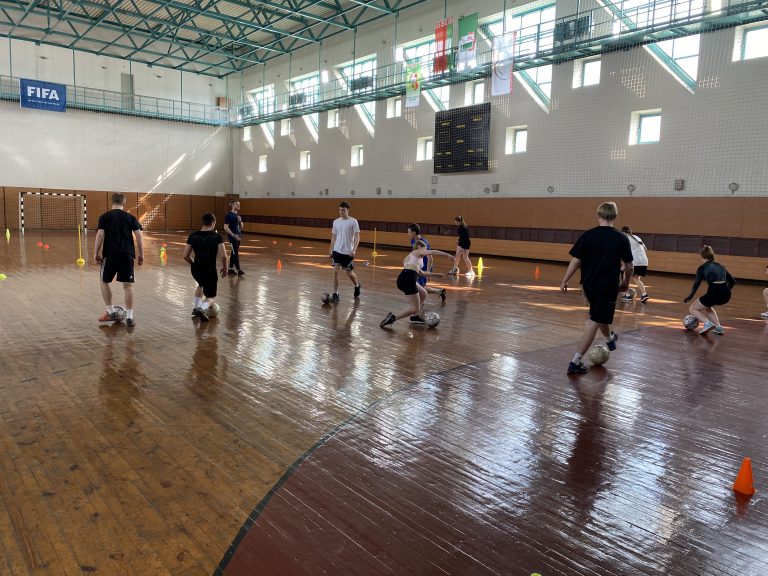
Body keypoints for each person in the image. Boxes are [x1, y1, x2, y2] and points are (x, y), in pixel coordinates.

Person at [560, 202, 633, 375]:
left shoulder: (588, 235)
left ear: (598, 215)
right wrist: (626, 283)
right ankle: (575, 362)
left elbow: (576, 261)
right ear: (615, 216)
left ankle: (609, 339)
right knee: (594, 321)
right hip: (607, 286)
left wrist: (565, 280)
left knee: (599, 314)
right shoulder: (621, 238)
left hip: (588, 286)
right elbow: (629, 266)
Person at [94, 193, 144, 327]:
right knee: (128, 286)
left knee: (104, 281)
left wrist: (95, 253)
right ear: (124, 202)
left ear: (112, 202)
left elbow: (100, 234)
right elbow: (139, 236)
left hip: (110, 254)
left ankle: (110, 311)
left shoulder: (105, 217)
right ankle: (130, 317)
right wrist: (141, 254)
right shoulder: (130, 217)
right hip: (127, 254)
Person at [380, 240, 455, 328]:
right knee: (415, 308)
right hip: (409, 278)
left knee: (423, 293)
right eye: (424, 249)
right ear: (419, 247)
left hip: (403, 278)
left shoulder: (412, 257)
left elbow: (421, 273)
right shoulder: (418, 251)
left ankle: (415, 317)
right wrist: (447, 254)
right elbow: (432, 252)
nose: (425, 252)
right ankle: (393, 318)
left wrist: (436, 275)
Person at [183, 212, 228, 322]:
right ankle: (201, 308)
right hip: (209, 270)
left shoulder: (193, 236)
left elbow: (185, 256)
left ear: (203, 222)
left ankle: (196, 307)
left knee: (200, 284)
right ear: (213, 223)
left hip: (196, 269)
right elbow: (224, 256)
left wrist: (193, 263)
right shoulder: (217, 237)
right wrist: (225, 268)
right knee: (211, 297)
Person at [684, 246, 735, 335]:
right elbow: (732, 281)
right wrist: (726, 291)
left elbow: (696, 284)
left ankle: (707, 323)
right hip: (726, 294)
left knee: (693, 308)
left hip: (714, 293)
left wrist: (690, 296)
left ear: (702, 256)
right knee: (707, 307)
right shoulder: (720, 266)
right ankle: (718, 327)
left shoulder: (702, 268)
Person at [407, 223, 447, 309]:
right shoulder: (412, 241)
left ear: (414, 232)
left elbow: (430, 258)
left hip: (424, 267)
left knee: (418, 287)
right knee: (419, 286)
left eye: (409, 232)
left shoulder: (424, 243)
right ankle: (439, 291)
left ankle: (419, 304)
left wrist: (428, 273)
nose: (408, 234)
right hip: (417, 267)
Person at [329, 201, 361, 301]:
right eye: (340, 210)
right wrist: (330, 249)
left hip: (348, 252)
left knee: (349, 273)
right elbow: (334, 236)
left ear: (348, 210)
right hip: (337, 250)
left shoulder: (353, 221)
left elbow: (357, 237)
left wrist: (354, 250)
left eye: (343, 210)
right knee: (335, 270)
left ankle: (356, 285)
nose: (341, 212)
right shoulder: (336, 222)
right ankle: (335, 293)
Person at [620, 226, 650, 303]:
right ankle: (644, 294)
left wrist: (623, 264)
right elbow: (645, 248)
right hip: (644, 261)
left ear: (623, 232)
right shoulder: (637, 237)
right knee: (636, 278)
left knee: (626, 277)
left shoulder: (625, 239)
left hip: (635, 260)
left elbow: (624, 253)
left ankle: (627, 295)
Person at [223, 200, 244, 276]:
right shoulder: (228, 215)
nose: (238, 205)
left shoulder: (238, 216)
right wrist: (233, 235)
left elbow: (241, 227)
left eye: (239, 204)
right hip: (232, 238)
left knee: (234, 252)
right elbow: (225, 227)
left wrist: (240, 221)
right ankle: (238, 269)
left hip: (238, 237)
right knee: (235, 253)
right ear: (232, 205)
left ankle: (230, 269)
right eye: (237, 204)